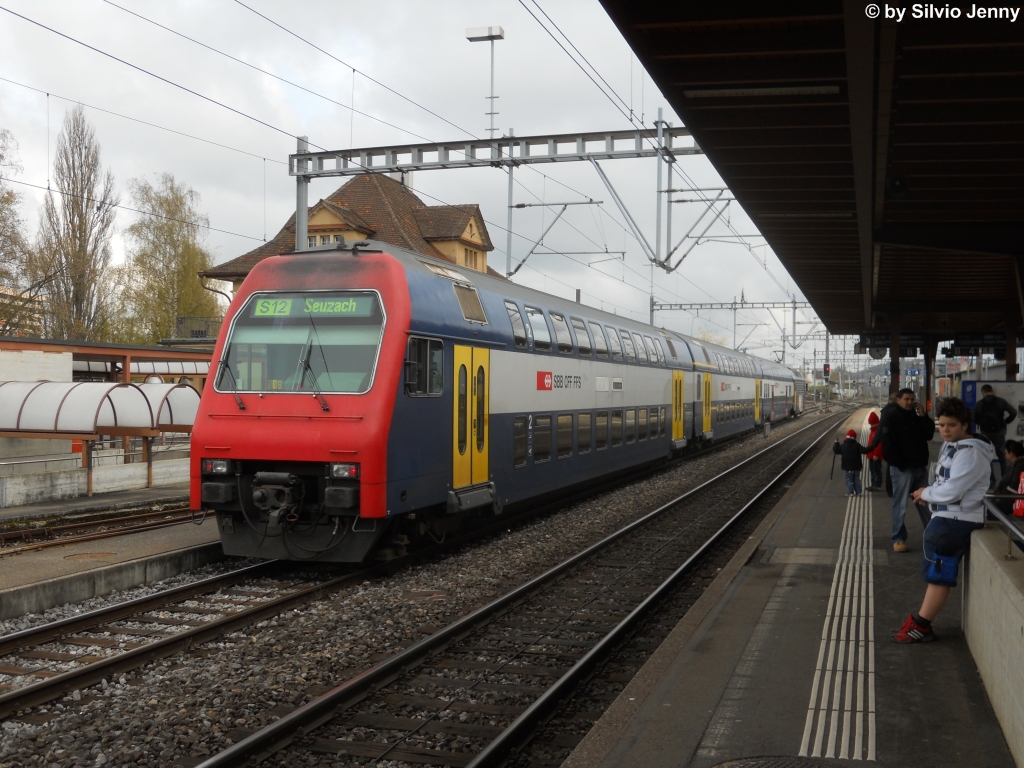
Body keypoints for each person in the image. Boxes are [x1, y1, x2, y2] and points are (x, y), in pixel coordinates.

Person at [892, 397, 995, 642]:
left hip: (958, 519)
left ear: (965, 426)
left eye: (951, 425)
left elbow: (953, 490)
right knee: (936, 572)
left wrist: (926, 493)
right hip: (948, 517)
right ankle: (920, 622)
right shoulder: (955, 447)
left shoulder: (970, 453)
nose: (945, 430)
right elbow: (945, 484)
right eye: (942, 425)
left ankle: (922, 626)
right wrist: (928, 493)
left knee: (939, 574)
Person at [881, 388, 935, 553]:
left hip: (919, 467)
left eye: (912, 399)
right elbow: (887, 446)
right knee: (900, 504)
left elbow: (929, 434)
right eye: (906, 399)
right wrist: (900, 464)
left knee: (926, 503)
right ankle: (898, 539)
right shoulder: (891, 417)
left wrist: (924, 416)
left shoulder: (916, 417)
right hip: (902, 469)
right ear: (898, 400)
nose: (910, 402)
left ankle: (933, 535)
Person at [972, 384, 1016, 474]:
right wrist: (1005, 422)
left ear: (983, 393)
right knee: (1002, 456)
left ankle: (991, 481)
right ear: (992, 391)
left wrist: (982, 424)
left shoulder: (979, 403)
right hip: (999, 432)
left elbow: (974, 418)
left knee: (987, 456)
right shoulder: (1001, 401)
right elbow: (1013, 412)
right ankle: (1005, 478)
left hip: (985, 433)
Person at [833, 429, 869, 496]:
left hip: (848, 467)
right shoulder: (857, 445)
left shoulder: (843, 446)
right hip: (857, 467)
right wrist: (872, 447)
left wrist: (836, 443)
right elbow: (864, 450)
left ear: (847, 437)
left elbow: (836, 450)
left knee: (849, 480)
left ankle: (850, 492)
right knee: (856, 479)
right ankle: (859, 492)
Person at [993, 439, 1024, 516]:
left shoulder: (1020, 466)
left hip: (1011, 498)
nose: (1005, 454)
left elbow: (1014, 486)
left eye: (1006, 452)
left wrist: (1001, 496)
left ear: (1011, 454)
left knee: (993, 508)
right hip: (1005, 495)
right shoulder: (1012, 465)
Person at [865, 411, 884, 491]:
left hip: (875, 456)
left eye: (872, 423)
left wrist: (876, 453)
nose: (871, 425)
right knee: (872, 470)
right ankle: (873, 484)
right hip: (871, 455)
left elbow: (879, 444)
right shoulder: (873, 430)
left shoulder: (877, 431)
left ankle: (877, 484)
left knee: (876, 470)